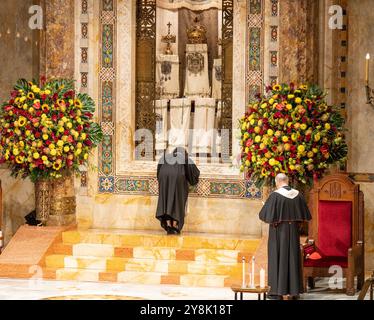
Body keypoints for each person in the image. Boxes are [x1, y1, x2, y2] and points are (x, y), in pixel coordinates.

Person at [259, 173, 312, 300]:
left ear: (277, 182)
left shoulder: (275, 196)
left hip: (278, 232)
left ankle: (276, 292)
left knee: (277, 258)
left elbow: (264, 215)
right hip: (293, 232)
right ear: (287, 181)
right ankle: (294, 292)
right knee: (293, 258)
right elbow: (306, 216)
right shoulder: (298, 195)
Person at [156, 147, 200, 235]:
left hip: (163, 176)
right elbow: (195, 173)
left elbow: (158, 170)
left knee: (166, 200)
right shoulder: (184, 158)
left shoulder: (165, 157)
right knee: (178, 199)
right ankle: (175, 225)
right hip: (177, 177)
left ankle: (168, 225)